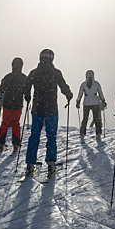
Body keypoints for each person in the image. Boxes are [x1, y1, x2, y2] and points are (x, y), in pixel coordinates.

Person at [24, 49, 73, 177]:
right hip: (51, 109)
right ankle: (51, 164)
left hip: (37, 109)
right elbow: (63, 86)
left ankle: (30, 164)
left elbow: (26, 86)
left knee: (34, 135)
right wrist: (68, 94)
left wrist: (27, 96)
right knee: (51, 135)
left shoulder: (34, 73)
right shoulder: (55, 73)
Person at [0, 58, 30, 153]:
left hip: (7, 103)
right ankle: (16, 144)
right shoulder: (23, 77)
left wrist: (0, 90)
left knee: (5, 123)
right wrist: (28, 97)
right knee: (16, 124)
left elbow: (2, 88)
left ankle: (1, 144)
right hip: (18, 104)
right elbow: (26, 91)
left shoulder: (8, 77)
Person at [76, 70, 107, 142]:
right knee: (97, 119)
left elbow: (80, 94)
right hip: (95, 102)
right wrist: (103, 101)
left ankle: (82, 135)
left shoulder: (83, 84)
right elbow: (100, 93)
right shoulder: (96, 84)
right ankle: (98, 134)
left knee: (85, 119)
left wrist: (78, 102)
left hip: (86, 102)